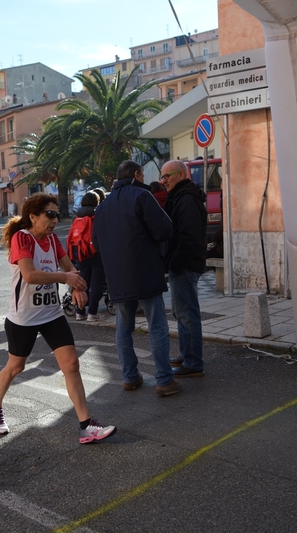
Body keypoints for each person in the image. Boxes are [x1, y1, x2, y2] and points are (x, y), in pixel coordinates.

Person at [0, 193, 116, 444]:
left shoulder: (53, 240)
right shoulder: (21, 238)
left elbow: (70, 269)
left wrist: (77, 286)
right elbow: (30, 275)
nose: (55, 219)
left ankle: (86, 425)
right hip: (23, 318)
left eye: (57, 214)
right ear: (33, 216)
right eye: (50, 214)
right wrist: (66, 279)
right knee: (16, 367)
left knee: (71, 365)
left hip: (51, 314)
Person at [93, 160, 181, 397]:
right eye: (142, 174)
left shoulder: (103, 206)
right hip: (144, 271)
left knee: (123, 327)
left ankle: (130, 377)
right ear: (136, 174)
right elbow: (164, 229)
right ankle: (164, 379)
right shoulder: (142, 196)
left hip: (117, 277)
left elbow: (96, 243)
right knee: (157, 325)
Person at [161, 160, 207, 377]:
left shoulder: (186, 199)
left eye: (166, 177)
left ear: (180, 174)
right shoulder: (182, 196)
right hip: (182, 264)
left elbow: (188, 237)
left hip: (185, 265)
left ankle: (193, 361)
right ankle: (186, 354)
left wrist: (175, 262)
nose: (164, 182)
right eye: (162, 178)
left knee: (187, 313)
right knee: (181, 312)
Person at [70, 191, 106, 322]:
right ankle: (92, 312)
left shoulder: (76, 217)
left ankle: (79, 312)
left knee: (82, 282)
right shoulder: (97, 215)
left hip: (80, 252)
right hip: (96, 253)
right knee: (96, 283)